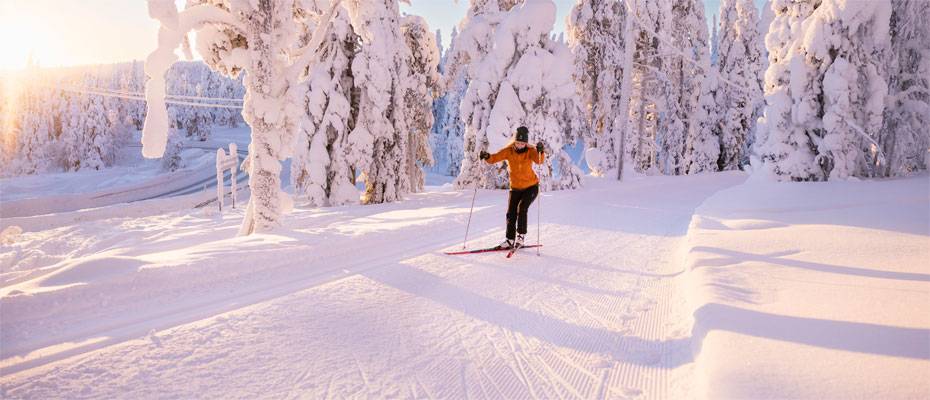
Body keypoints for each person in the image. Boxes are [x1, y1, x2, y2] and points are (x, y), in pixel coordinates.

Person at [479, 126, 545, 249]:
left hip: (531, 187)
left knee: (522, 208)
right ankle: (509, 239)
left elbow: (539, 160)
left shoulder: (530, 151)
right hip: (515, 188)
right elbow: (494, 158)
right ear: (514, 141)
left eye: (522, 143)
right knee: (511, 213)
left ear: (526, 143)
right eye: (518, 142)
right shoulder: (509, 151)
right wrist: (487, 156)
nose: (520, 145)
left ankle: (520, 237)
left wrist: (541, 150)